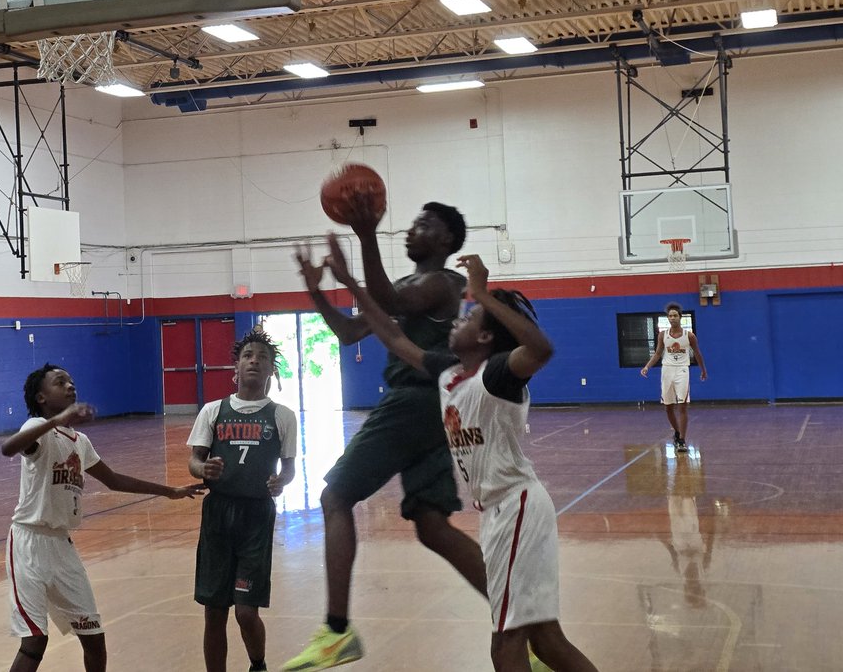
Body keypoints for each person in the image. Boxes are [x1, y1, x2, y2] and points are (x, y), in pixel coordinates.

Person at [326, 240, 599, 672]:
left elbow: (541, 351)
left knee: (505, 646)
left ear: (486, 336)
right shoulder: (449, 372)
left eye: (470, 317)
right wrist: (350, 284)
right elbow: (394, 335)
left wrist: (484, 294)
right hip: (497, 513)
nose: (459, 319)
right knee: (546, 640)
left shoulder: (498, 374)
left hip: (518, 506)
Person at [285, 201, 487, 672]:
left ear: (444, 241)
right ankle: (526, 625)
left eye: (424, 226)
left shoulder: (441, 283)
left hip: (413, 401)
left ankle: (336, 632)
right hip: (431, 409)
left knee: (335, 495)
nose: (411, 231)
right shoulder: (406, 287)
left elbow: (391, 304)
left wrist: (365, 235)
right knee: (433, 527)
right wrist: (318, 294)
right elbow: (350, 332)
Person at [3, 363, 205, 672]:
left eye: (71, 380)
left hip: (62, 547)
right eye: (60, 382)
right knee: (34, 643)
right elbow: (8, 448)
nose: (70, 385)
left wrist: (169, 491)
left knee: (94, 635)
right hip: (28, 543)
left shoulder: (79, 442)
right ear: (42, 398)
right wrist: (56, 420)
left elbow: (113, 480)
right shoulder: (36, 428)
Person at [188, 328, 298, 672]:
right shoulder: (213, 411)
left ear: (271, 371)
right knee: (214, 611)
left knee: (246, 611)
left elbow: (290, 469)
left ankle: (258, 664)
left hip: (256, 516)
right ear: (235, 367)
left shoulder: (282, 416)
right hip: (218, 514)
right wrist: (203, 468)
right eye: (248, 355)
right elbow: (194, 462)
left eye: (262, 357)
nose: (254, 360)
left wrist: (281, 482)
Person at [640, 302, 708, 452]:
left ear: (680, 317)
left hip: (682, 370)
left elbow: (697, 353)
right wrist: (647, 366)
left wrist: (703, 370)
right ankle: (677, 433)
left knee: (682, 406)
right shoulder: (663, 335)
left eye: (675, 316)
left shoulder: (689, 336)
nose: (672, 318)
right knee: (668, 407)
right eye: (670, 316)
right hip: (667, 371)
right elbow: (658, 353)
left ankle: (682, 440)